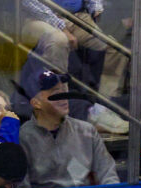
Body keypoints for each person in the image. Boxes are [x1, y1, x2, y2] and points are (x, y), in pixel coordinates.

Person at [20, 0, 129, 133]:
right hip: (40, 18)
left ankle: (105, 108)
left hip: (77, 17)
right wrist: (62, 27)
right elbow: (31, 3)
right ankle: (58, 103)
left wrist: (95, 8)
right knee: (59, 40)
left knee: (115, 48)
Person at [18, 70, 120, 188]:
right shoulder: (23, 138)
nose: (64, 97)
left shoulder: (87, 131)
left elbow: (108, 175)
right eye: (56, 93)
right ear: (36, 103)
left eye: (64, 91)